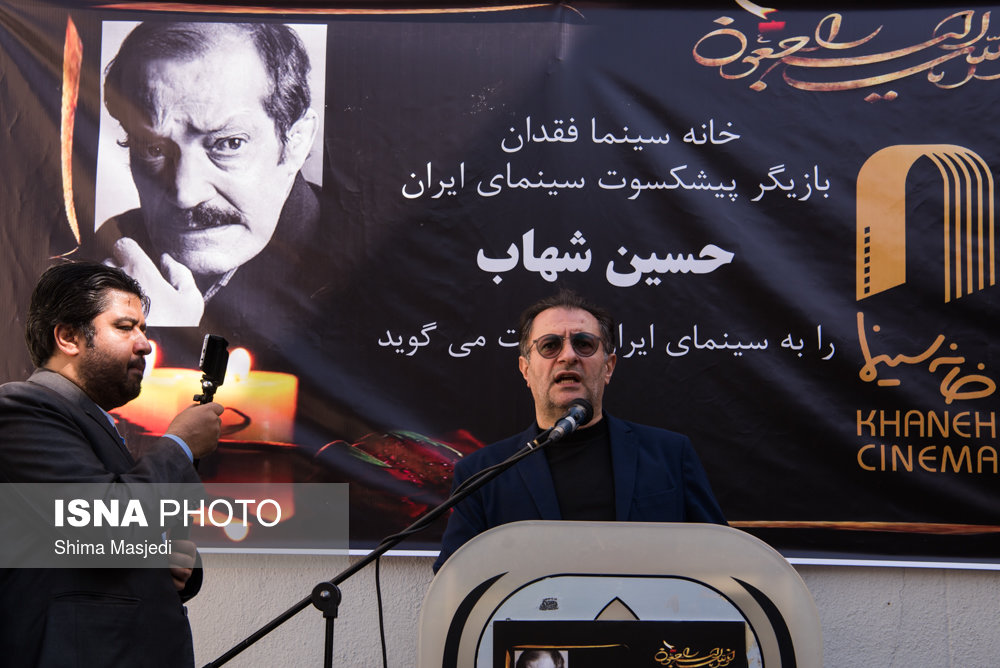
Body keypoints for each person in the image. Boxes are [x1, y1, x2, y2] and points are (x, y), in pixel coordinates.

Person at [0, 262, 224, 667]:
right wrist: (180, 445)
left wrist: (175, 561)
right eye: (125, 327)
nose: (145, 344)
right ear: (68, 337)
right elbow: (100, 522)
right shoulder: (20, 408)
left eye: (144, 329)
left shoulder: (92, 421)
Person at [434, 289, 725, 571]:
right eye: (550, 345)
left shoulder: (671, 455)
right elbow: (454, 578)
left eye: (584, 344)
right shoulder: (481, 475)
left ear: (608, 367)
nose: (568, 356)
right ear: (525, 370)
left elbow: (721, 559)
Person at [93, 21, 321, 327]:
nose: (185, 195)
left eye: (229, 144)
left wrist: (160, 331)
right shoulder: (113, 242)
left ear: (296, 142)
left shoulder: (360, 273)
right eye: (153, 149)